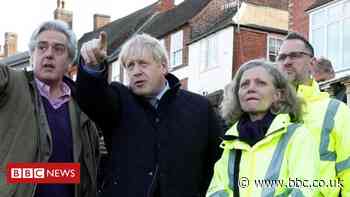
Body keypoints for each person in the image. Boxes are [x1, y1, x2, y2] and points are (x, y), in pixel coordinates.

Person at [76, 32, 224, 197]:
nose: (136, 72)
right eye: (130, 66)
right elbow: (91, 98)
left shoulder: (199, 108)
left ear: (163, 66)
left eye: (143, 64)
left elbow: (217, 164)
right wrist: (93, 67)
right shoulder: (119, 100)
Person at [0, 20, 100, 197]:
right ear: (32, 56)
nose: (49, 54)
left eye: (58, 49)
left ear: (70, 62)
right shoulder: (12, 84)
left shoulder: (82, 106)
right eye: (42, 47)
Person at [206, 60, 319, 196]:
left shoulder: (297, 135)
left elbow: (305, 190)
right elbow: (216, 190)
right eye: (244, 84)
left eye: (260, 83)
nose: (251, 88)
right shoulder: (230, 142)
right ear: (238, 95)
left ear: (278, 95)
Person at [277, 32, 350, 196]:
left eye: (295, 55)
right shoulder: (267, 110)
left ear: (311, 63)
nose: (287, 61)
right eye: (281, 57)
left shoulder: (335, 111)